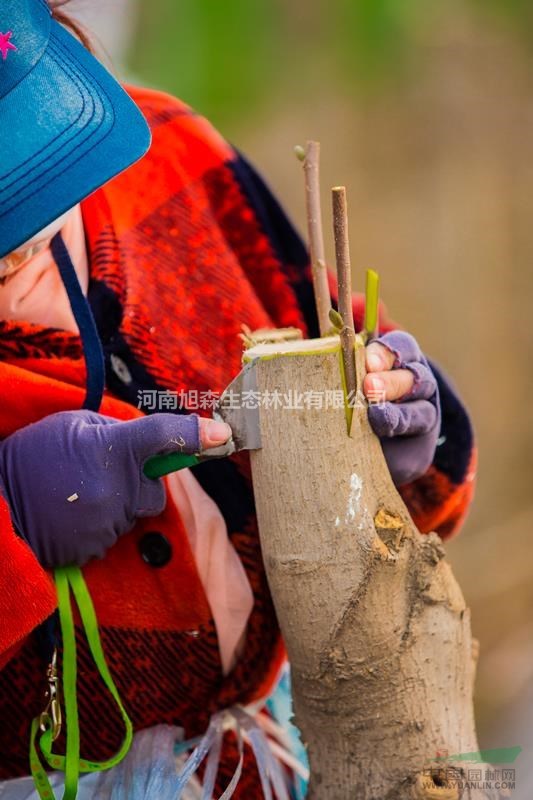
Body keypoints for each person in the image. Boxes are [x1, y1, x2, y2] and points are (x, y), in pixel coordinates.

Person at [0, 1, 476, 797]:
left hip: (276, 753)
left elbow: (422, 484)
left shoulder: (168, 155)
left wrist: (393, 443)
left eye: (38, 156)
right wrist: (11, 517)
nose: (22, 239)